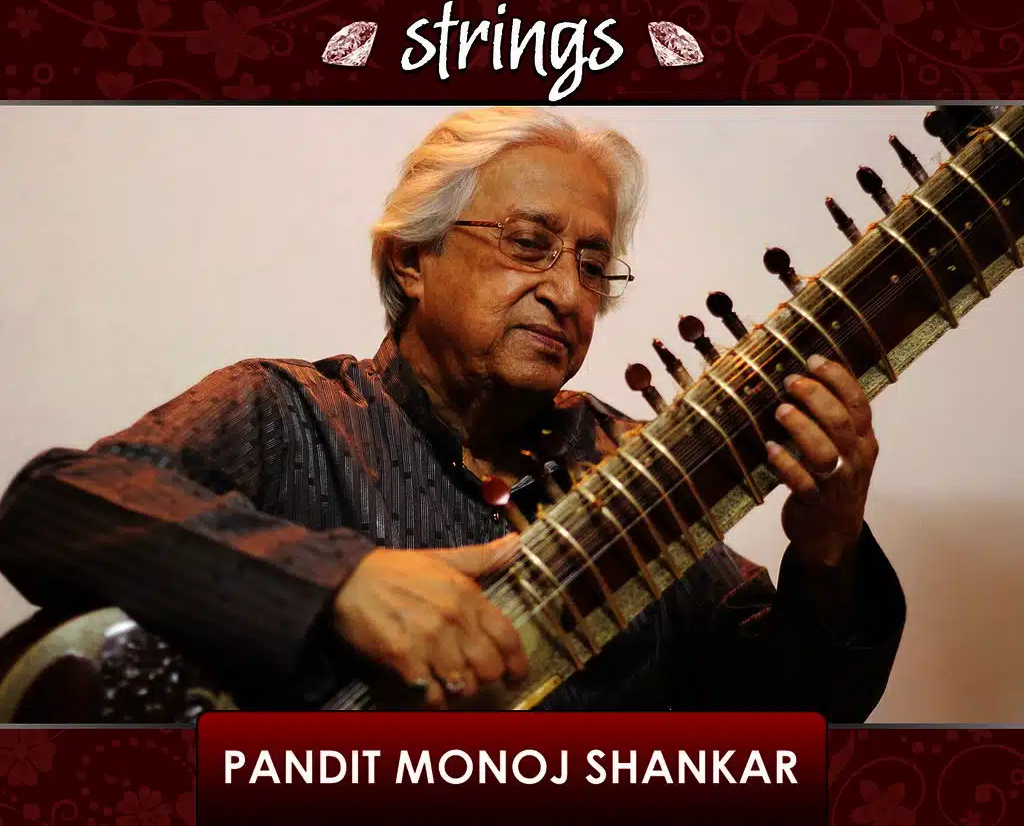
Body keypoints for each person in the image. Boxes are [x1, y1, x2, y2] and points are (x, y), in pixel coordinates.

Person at [0, 107, 905, 718]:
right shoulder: (287, 416)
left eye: (594, 266)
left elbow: (791, 719)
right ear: (412, 261)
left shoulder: (639, 474)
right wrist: (339, 584)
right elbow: (52, 510)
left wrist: (830, 556)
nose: (568, 292)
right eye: (528, 243)